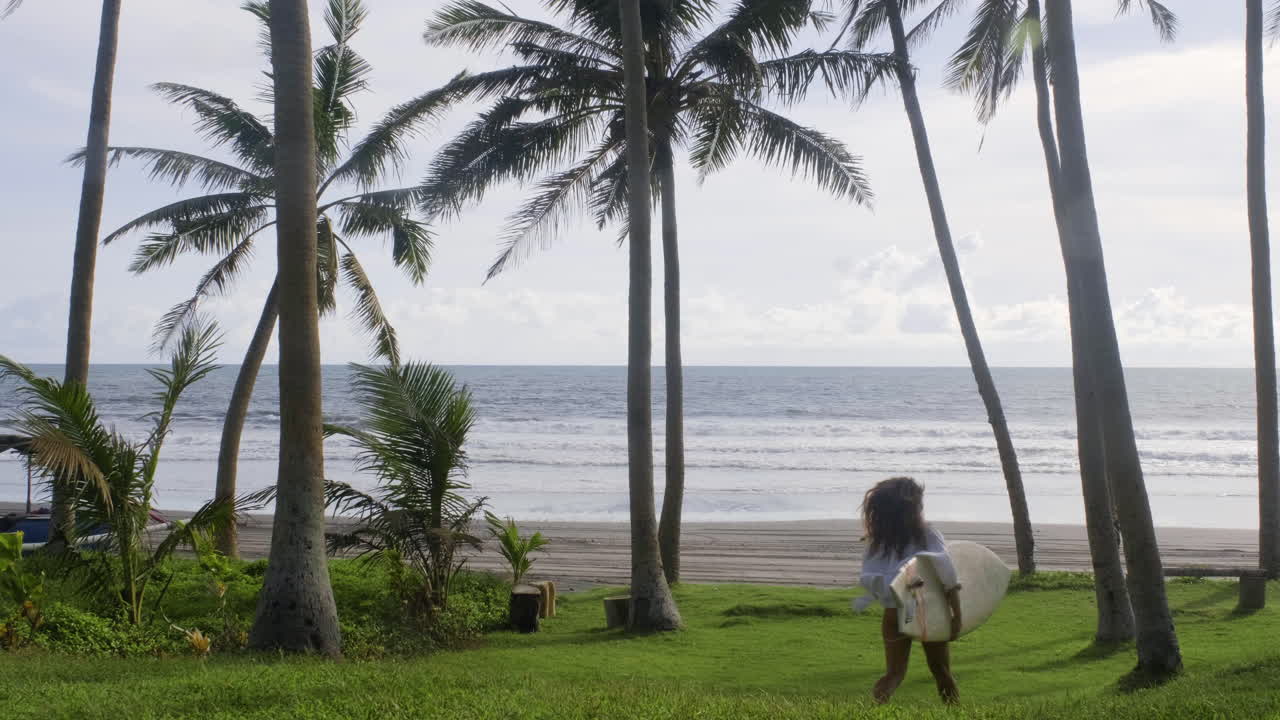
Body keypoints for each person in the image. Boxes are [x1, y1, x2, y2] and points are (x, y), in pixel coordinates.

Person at [857, 476, 960, 704]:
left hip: (893, 613)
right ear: (913, 508)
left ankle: (871, 710)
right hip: (926, 611)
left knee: (894, 674)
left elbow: (872, 578)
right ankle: (956, 713)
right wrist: (957, 616)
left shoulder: (879, 542)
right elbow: (948, 576)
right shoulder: (928, 534)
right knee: (942, 673)